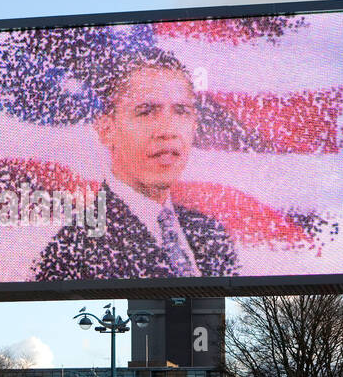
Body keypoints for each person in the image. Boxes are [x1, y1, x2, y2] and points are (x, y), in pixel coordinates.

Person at [33, 49, 239, 282]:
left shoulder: (212, 235)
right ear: (106, 129)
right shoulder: (71, 252)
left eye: (181, 111)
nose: (167, 131)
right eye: (146, 112)